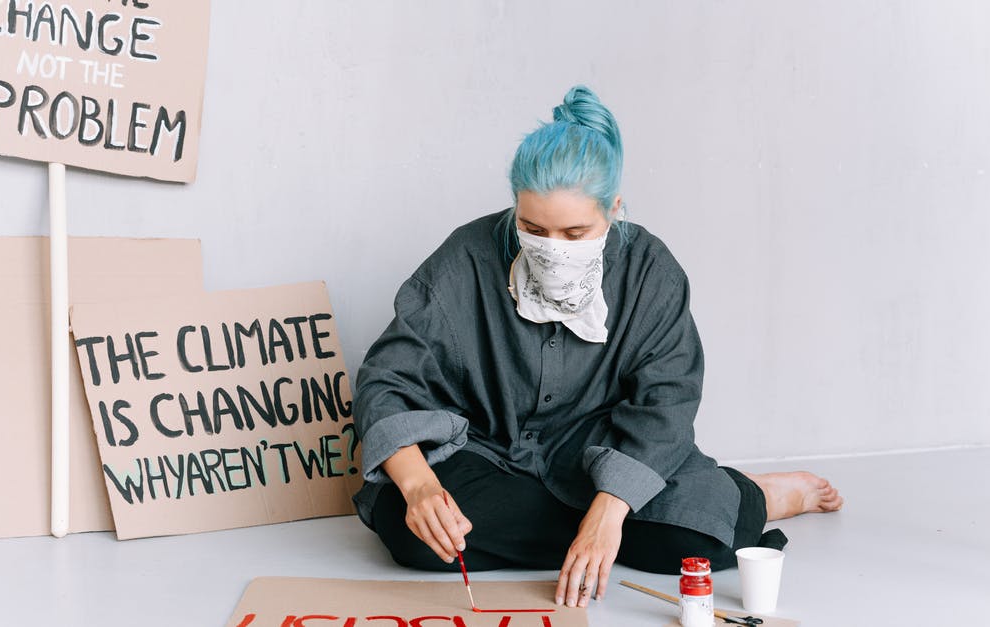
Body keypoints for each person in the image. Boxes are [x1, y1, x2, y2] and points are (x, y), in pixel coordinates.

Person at [351, 85, 843, 609]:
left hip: (602, 456)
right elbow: (387, 378)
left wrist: (609, 508)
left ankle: (756, 496)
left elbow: (667, 402)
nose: (552, 248)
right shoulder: (464, 257)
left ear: (614, 210)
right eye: (532, 228)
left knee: (699, 543)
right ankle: (630, 524)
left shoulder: (651, 271)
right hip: (486, 453)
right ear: (513, 207)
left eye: (576, 231)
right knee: (412, 536)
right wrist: (420, 485)